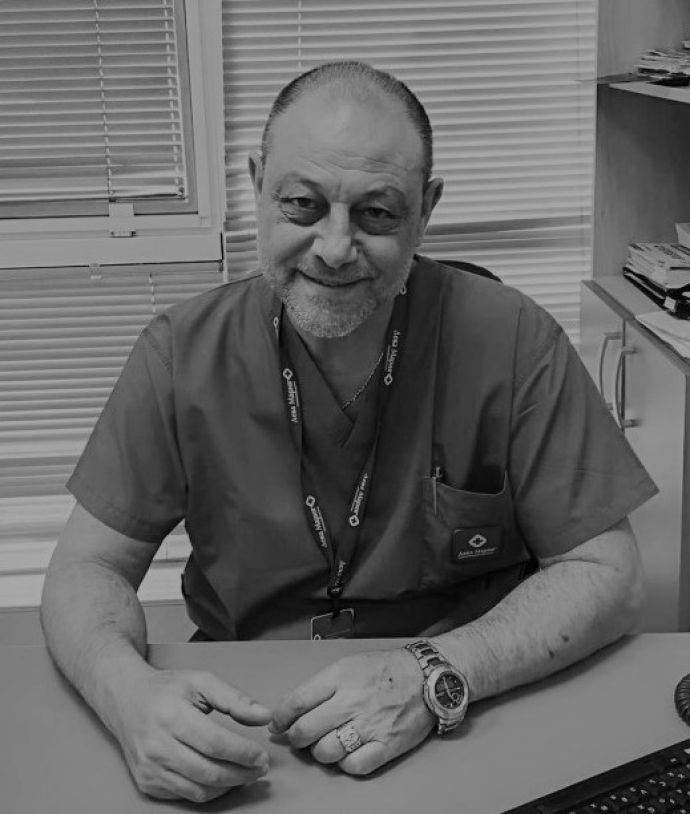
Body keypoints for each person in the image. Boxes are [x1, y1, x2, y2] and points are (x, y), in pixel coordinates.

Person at [40, 60, 657, 804]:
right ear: (257, 186)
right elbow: (86, 569)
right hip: (254, 729)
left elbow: (608, 574)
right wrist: (127, 695)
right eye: (302, 204)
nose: (334, 248)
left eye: (377, 214)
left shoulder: (514, 341)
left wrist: (434, 673)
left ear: (425, 211)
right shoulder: (181, 356)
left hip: (469, 710)